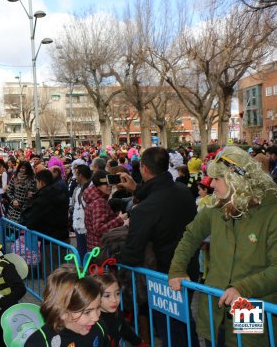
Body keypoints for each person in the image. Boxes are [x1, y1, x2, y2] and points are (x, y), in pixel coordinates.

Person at [169, 146, 277, 347]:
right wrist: (177, 268)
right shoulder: (216, 206)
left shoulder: (271, 212)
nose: (211, 184)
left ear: (236, 180)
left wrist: (242, 288)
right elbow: (190, 236)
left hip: (250, 306)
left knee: (244, 343)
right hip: (214, 304)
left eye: (217, 179)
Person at [119, 147, 199, 347]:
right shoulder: (182, 191)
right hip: (189, 269)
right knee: (184, 325)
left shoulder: (146, 209)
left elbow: (132, 254)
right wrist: (137, 189)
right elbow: (161, 198)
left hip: (163, 278)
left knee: (172, 331)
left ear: (144, 169)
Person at [24, 266, 109, 347]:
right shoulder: (39, 343)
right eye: (87, 312)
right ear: (62, 312)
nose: (96, 318)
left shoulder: (99, 328)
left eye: (98, 307)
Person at [22, 169, 70, 276]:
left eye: (36, 182)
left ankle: (55, 292)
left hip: (50, 239)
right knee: (62, 270)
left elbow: (31, 220)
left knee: (51, 273)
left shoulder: (44, 197)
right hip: (63, 236)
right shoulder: (60, 190)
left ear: (41, 182)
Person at [94, 272, 148, 347]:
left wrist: (139, 343)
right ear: (95, 296)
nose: (114, 300)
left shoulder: (118, 314)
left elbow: (125, 330)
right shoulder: (94, 324)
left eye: (117, 293)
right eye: (107, 295)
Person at [84, 170, 128, 251]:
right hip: (101, 249)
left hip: (93, 248)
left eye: (110, 183)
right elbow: (99, 230)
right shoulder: (99, 201)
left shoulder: (92, 197)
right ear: (97, 185)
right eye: (105, 184)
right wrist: (120, 219)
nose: (109, 186)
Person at [70, 164, 92, 260]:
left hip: (87, 228)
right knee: (81, 253)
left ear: (80, 175)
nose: (75, 176)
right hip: (79, 226)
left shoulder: (91, 189)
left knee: (87, 255)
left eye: (76, 174)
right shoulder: (79, 189)